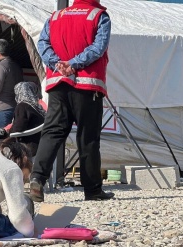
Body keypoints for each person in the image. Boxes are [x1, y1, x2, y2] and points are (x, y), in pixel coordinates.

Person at [29, 0, 114, 202]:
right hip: (87, 85)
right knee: (88, 138)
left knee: (52, 132)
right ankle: (93, 190)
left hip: (58, 84)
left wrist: (58, 64)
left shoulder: (56, 16)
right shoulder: (98, 16)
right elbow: (98, 47)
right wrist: (73, 64)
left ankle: (37, 179)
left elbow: (42, 44)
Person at [9, 82, 46, 156]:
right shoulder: (38, 107)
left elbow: (18, 128)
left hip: (28, 146)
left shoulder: (22, 106)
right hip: (42, 144)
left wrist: (7, 132)